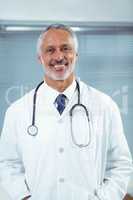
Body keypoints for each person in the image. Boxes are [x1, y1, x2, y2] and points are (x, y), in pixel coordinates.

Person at [0, 24, 132, 200]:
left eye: (65, 48)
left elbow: (120, 164)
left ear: (75, 55)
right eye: (50, 50)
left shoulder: (105, 105)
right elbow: (7, 164)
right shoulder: (16, 111)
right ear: (40, 57)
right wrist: (24, 197)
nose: (59, 56)